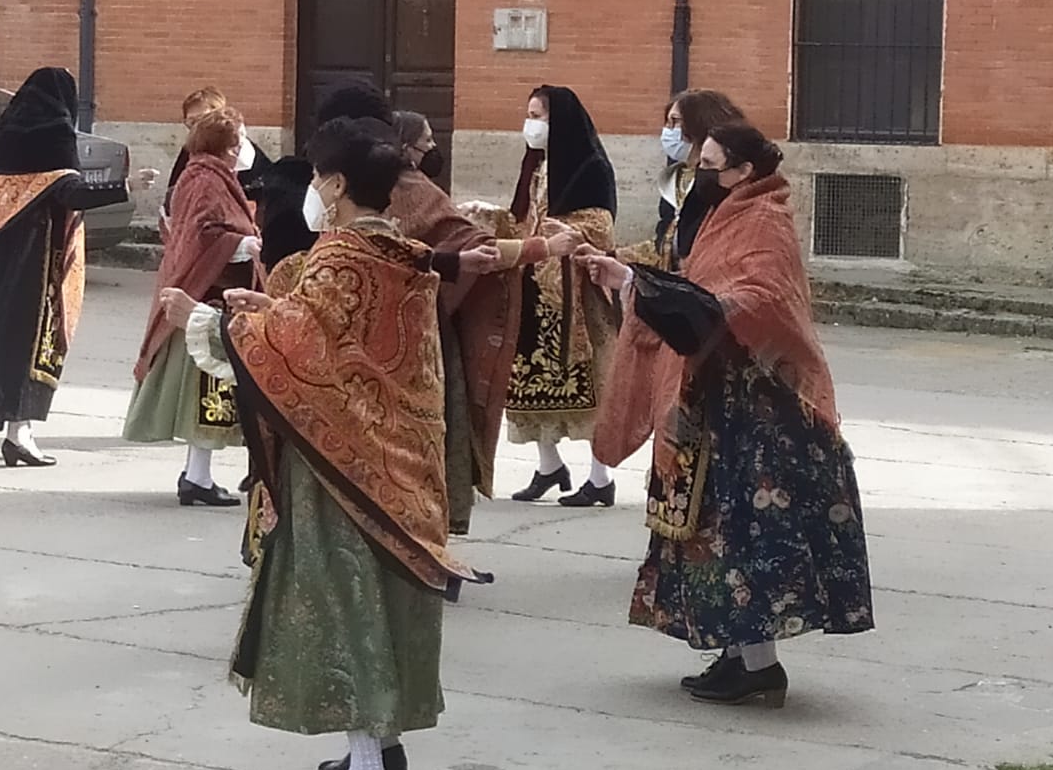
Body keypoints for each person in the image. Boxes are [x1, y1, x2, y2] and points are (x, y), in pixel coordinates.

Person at [158, 118, 490, 770]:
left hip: (340, 464)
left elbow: (307, 351)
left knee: (346, 606)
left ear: (335, 186)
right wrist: (268, 309)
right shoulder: (399, 252)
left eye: (314, 179)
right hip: (396, 460)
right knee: (385, 606)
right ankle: (382, 748)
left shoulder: (341, 259)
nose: (310, 190)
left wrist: (207, 319)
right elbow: (341, 344)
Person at [584, 122, 874, 707]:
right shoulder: (729, 213)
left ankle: (759, 665)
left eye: (711, 166)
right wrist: (632, 281)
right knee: (717, 529)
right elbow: (696, 286)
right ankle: (738, 653)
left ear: (742, 172)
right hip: (719, 402)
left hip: (762, 411)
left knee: (748, 532)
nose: (700, 176)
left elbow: (760, 298)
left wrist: (698, 305)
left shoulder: (764, 220)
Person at [317, 84, 582, 535]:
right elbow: (437, 253)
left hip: (386, 351)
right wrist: (543, 247)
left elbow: (442, 252)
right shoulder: (369, 193)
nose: (429, 152)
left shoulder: (367, 198)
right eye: (425, 144)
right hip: (398, 348)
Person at [0, 67, 129, 467]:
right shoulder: (54, 132)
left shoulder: (6, 134)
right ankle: (20, 434)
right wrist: (123, 187)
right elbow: (69, 194)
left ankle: (12, 427)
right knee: (31, 342)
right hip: (37, 257)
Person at [124, 108, 260, 506]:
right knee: (207, 398)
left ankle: (197, 475)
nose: (244, 147)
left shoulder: (208, 175)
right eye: (239, 140)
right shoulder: (205, 180)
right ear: (226, 146)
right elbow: (201, 233)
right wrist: (238, 246)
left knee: (205, 400)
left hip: (207, 299)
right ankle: (197, 478)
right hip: (206, 302)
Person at [503, 85, 622, 508]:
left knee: (591, 383)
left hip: (578, 294)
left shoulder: (589, 166)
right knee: (530, 380)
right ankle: (549, 465)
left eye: (540, 116)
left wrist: (568, 236)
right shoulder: (535, 167)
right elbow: (521, 218)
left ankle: (600, 475)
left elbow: (603, 226)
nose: (532, 124)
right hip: (534, 285)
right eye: (530, 114)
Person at [620, 89, 747, 271]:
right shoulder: (675, 179)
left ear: (700, 124)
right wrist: (613, 256)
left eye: (675, 122)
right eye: (667, 123)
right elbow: (663, 243)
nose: (668, 131)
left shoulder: (725, 181)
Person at [160, 86, 271, 237]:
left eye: (202, 120)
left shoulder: (247, 154)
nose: (196, 129)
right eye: (191, 123)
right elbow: (174, 195)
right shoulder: (190, 151)